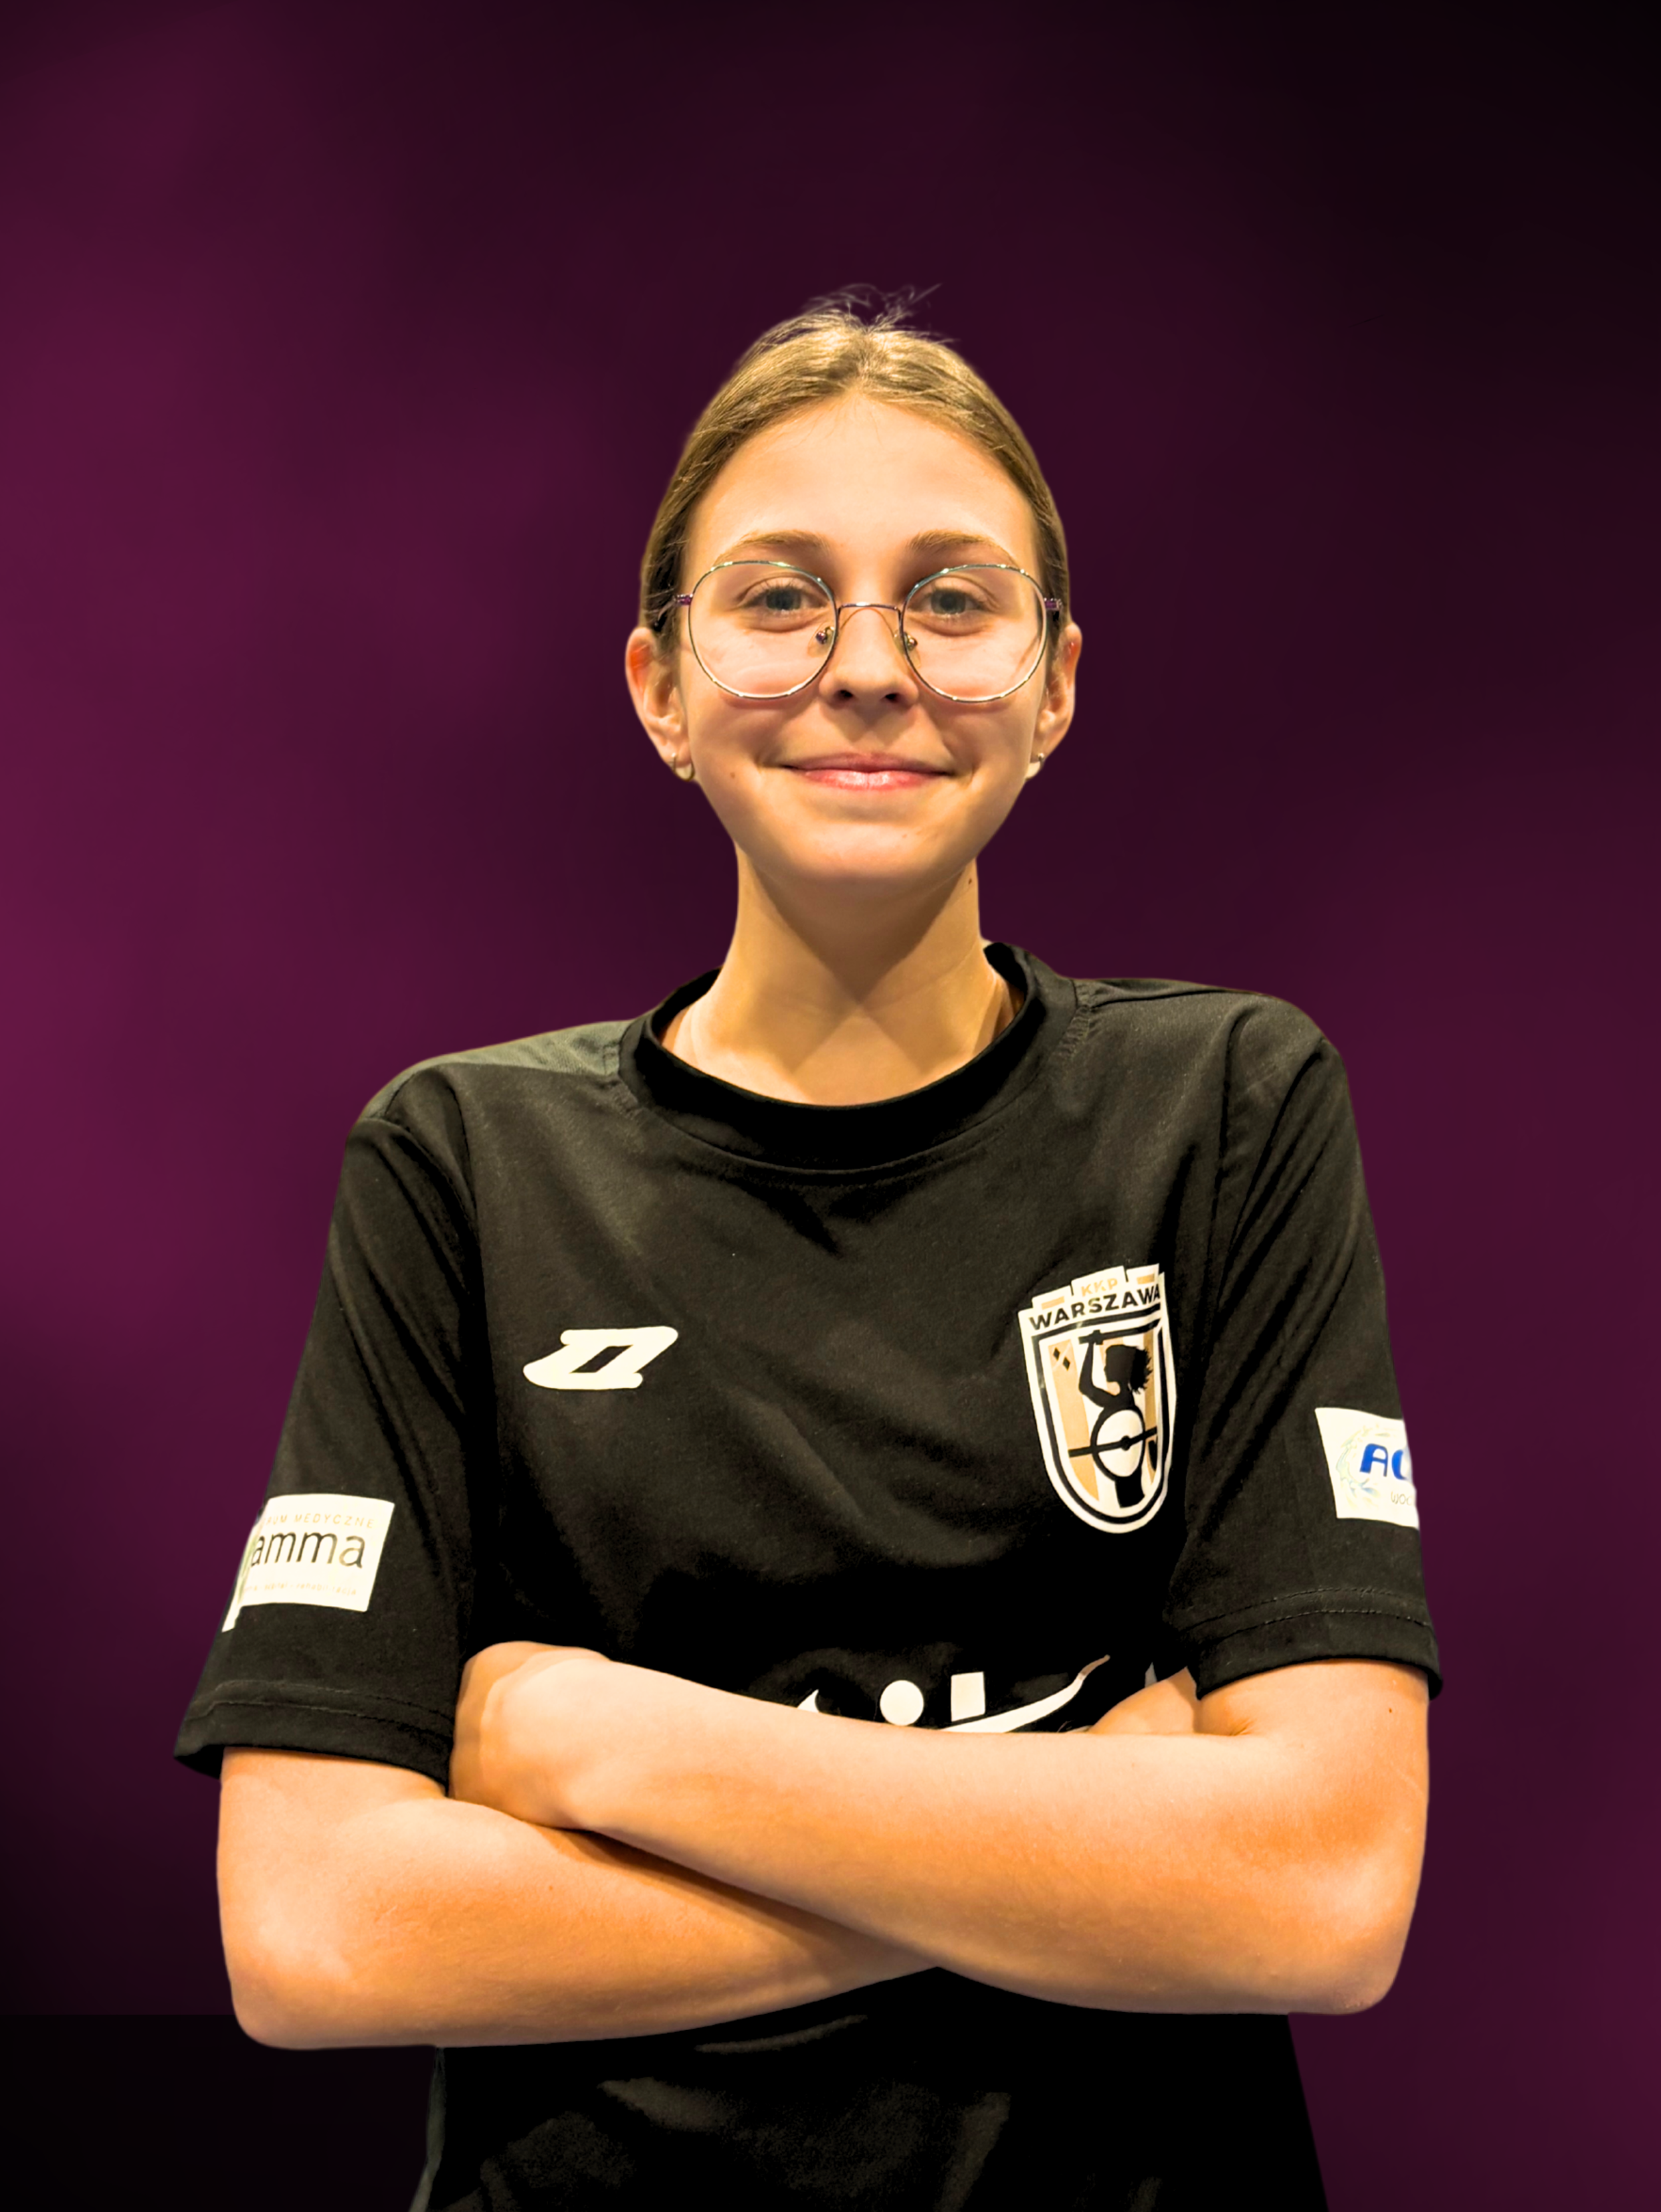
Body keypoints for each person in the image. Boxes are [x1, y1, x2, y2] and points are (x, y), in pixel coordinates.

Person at [177, 296, 1438, 2210]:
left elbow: (1323, 1895)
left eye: (952, 600)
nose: (866, 668)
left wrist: (607, 1741)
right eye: (777, 600)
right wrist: (1090, 1839)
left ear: (1055, 684)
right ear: (659, 689)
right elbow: (316, 1935)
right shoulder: (463, 1163)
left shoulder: (1228, 1111)